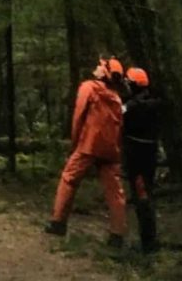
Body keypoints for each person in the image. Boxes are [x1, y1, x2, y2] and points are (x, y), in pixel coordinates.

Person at [44, 56, 126, 247]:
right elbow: (120, 126)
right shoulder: (116, 97)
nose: (97, 67)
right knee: (115, 191)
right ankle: (117, 234)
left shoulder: (88, 87)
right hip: (110, 149)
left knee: (68, 179)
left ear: (105, 71)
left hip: (88, 145)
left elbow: (78, 116)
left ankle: (58, 222)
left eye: (100, 65)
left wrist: (75, 142)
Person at [123, 66, 161, 253]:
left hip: (136, 155)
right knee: (146, 192)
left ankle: (148, 242)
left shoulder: (130, 108)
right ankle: (149, 239)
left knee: (142, 196)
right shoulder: (156, 104)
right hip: (151, 153)